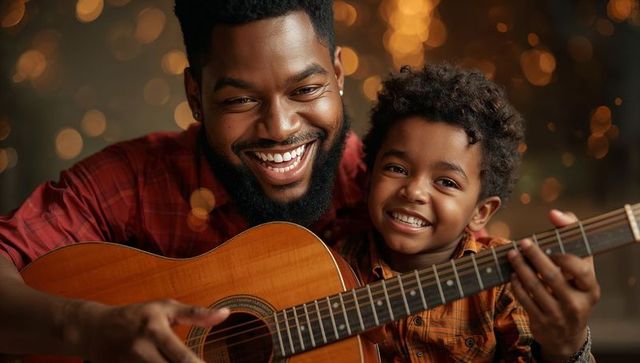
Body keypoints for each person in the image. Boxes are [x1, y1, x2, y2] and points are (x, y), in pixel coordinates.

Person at [0, 1, 595, 362]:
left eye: (306, 90)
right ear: (195, 97)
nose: (281, 128)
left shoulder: (394, 189)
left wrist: (567, 348)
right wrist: (88, 328)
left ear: (338, 75)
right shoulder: (135, 178)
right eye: (238, 99)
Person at [335, 64, 599, 362]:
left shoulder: (504, 285)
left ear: (480, 212)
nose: (414, 191)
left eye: (446, 182)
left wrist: (563, 348)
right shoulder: (334, 268)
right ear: (369, 179)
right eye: (397, 168)